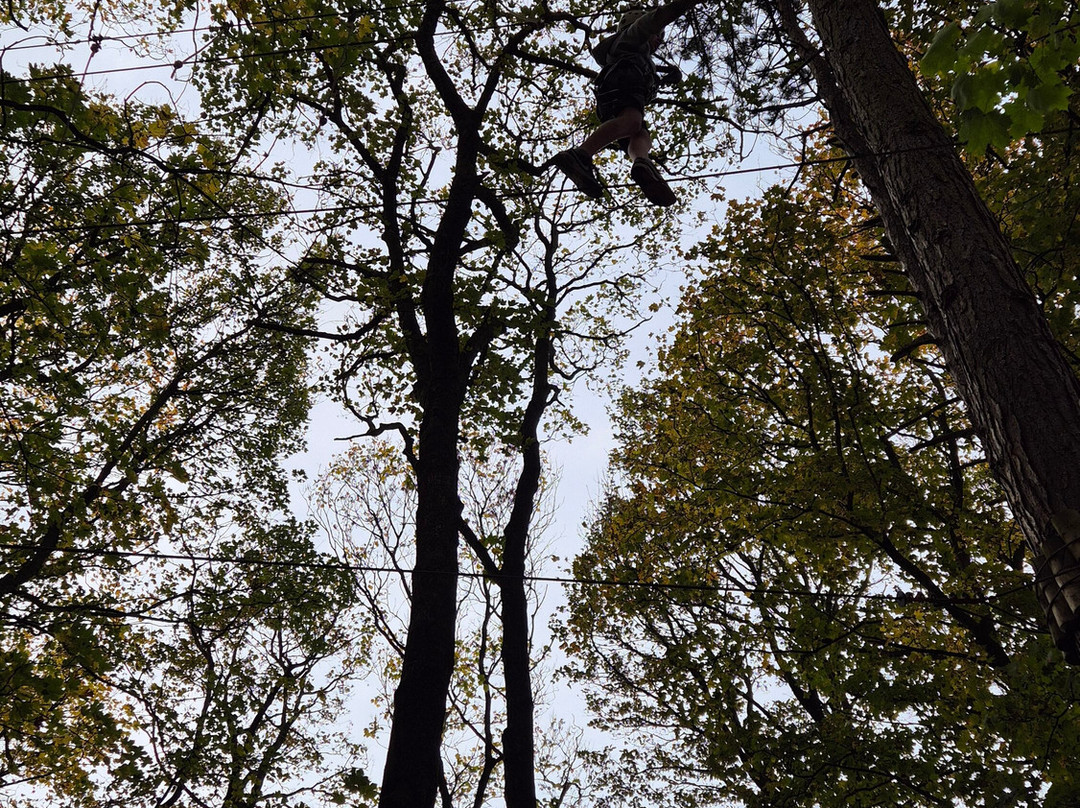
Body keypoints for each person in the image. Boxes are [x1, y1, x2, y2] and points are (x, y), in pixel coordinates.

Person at [552, 0, 700, 207]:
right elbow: (654, 20)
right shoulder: (632, 37)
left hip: (622, 90)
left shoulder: (640, 55)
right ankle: (580, 155)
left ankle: (642, 162)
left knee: (639, 133)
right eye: (657, 35)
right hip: (623, 82)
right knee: (632, 123)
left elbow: (646, 78)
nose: (659, 41)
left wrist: (665, 79)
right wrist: (682, 5)